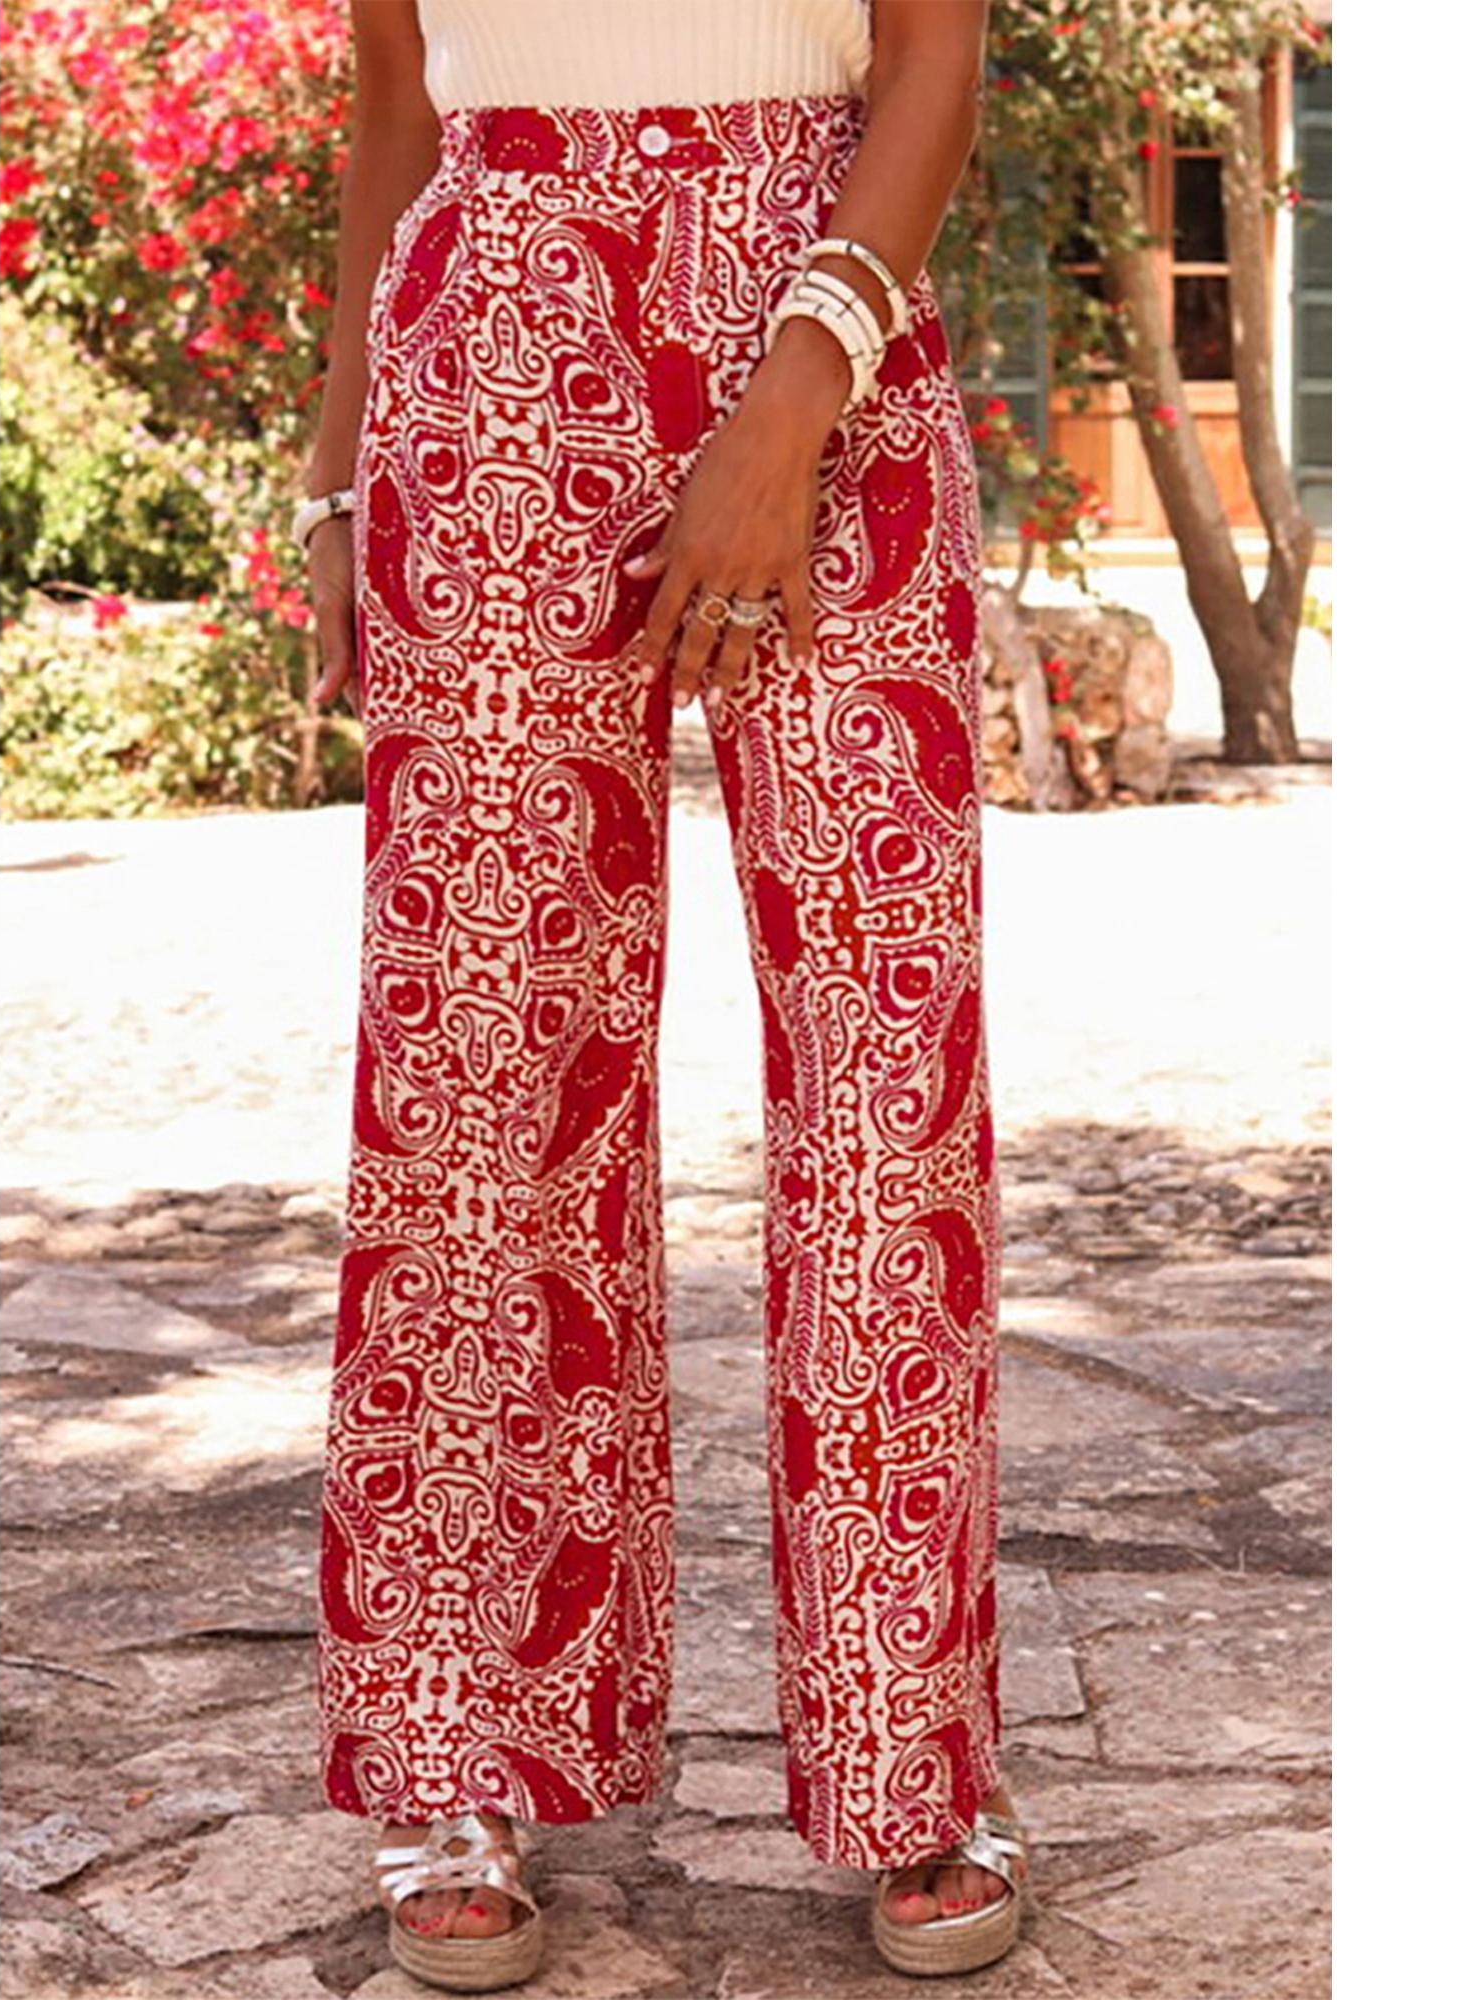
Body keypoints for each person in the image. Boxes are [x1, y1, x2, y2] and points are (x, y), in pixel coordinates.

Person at [298, 1, 1028, 1987]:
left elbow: (931, 66)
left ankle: (912, 1752)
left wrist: (789, 405)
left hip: (828, 336)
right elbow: (394, 103)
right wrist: (339, 471)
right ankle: (460, 1744)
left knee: (886, 1078)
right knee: (478, 1093)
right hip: (488, 363)